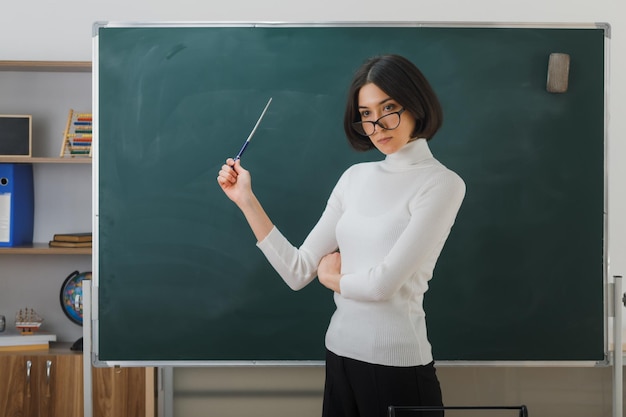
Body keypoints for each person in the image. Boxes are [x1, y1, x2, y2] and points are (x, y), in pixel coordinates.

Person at [217, 54, 466, 417]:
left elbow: (383, 286)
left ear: (417, 104)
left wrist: (332, 277)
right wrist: (246, 200)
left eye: (389, 107)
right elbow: (298, 270)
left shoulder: (441, 183)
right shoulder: (354, 178)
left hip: (397, 365)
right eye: (365, 114)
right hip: (339, 356)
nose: (377, 124)